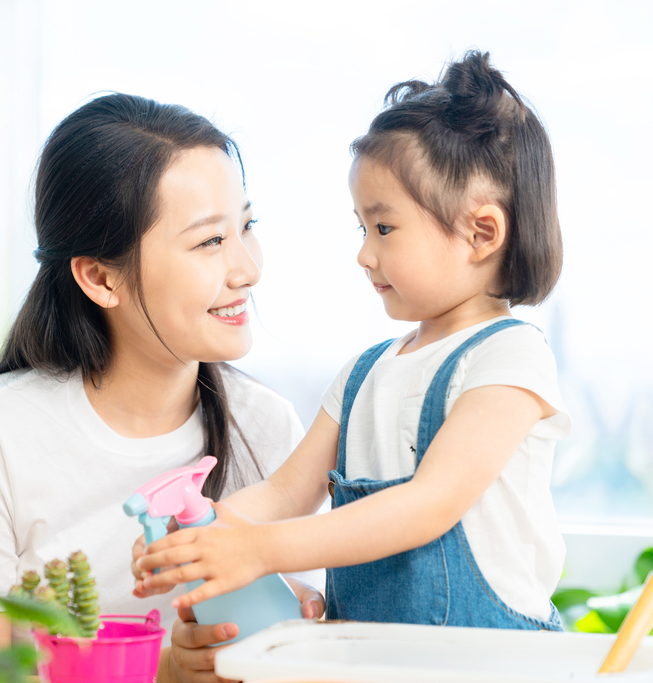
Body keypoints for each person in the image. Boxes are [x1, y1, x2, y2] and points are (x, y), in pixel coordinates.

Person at [0, 93, 324, 682]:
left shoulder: (267, 426)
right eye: (209, 242)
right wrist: (162, 671)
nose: (248, 269)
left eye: (246, 227)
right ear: (100, 277)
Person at [136, 51, 570, 631]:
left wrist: (259, 551)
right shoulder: (365, 374)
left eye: (384, 228)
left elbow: (428, 506)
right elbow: (287, 493)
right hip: (369, 661)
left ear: (481, 232)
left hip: (489, 663)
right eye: (362, 229)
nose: (364, 254)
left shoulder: (509, 358)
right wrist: (201, 534)